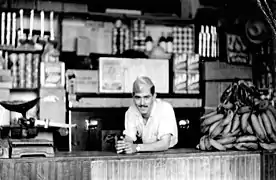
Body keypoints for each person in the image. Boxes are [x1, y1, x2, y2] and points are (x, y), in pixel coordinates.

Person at [115, 76, 178, 154]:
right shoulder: (131, 111)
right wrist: (124, 146)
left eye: (146, 97)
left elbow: (164, 144)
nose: (142, 103)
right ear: (133, 97)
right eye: (138, 98)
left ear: (154, 96)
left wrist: (137, 147)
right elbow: (129, 138)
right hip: (146, 153)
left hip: (170, 154)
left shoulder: (165, 108)